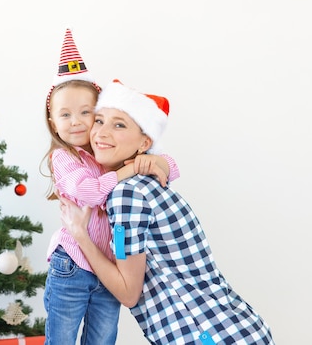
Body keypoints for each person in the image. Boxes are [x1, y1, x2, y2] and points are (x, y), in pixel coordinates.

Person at [59, 79, 275, 344]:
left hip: (205, 335)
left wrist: (81, 236)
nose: (101, 133)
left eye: (119, 124)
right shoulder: (148, 181)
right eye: (99, 120)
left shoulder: (127, 196)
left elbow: (128, 293)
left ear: (144, 142)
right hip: (238, 326)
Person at [42, 30, 181, 345]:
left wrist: (152, 163)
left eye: (86, 113)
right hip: (72, 265)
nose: (76, 121)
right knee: (61, 339)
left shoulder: (105, 152)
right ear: (52, 122)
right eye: (65, 115)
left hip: (107, 270)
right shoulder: (63, 158)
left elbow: (171, 166)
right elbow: (90, 192)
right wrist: (130, 169)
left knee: (103, 339)